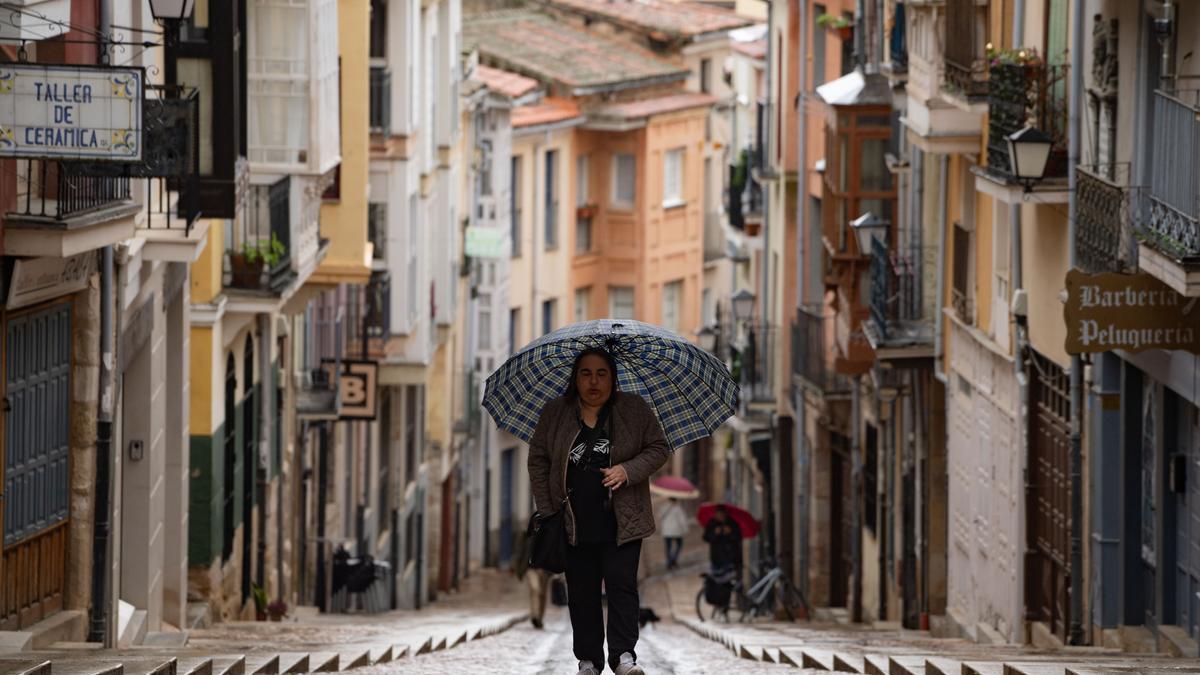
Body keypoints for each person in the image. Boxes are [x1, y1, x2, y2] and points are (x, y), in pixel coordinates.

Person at [528, 347, 671, 675]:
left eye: (601, 373)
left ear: (613, 377)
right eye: (586, 373)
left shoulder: (633, 410)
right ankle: (588, 659)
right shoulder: (556, 412)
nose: (594, 381)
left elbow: (658, 448)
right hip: (574, 522)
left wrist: (627, 470)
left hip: (623, 520)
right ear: (575, 378)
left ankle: (623, 657)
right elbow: (538, 460)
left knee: (622, 587)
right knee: (582, 592)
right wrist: (549, 511)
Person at [513, 527, 551, 629]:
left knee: (542, 594)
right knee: (535, 589)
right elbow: (519, 551)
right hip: (531, 568)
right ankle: (534, 615)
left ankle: (539, 618)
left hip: (544, 569)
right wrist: (518, 568)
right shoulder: (527, 533)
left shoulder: (550, 531)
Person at [702, 505, 743, 575]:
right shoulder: (712, 523)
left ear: (725, 514)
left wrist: (730, 532)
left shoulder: (732, 523)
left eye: (722, 514)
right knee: (718, 579)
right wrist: (714, 533)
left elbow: (738, 537)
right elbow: (706, 538)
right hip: (716, 557)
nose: (720, 516)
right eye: (718, 514)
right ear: (716, 515)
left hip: (731, 557)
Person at [657, 498, 689, 570]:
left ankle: (669, 562)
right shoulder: (678, 508)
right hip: (676, 531)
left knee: (668, 547)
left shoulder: (664, 507)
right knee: (679, 545)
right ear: (675, 500)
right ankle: (673, 559)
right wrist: (685, 530)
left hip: (666, 531)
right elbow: (682, 520)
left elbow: (659, 516)